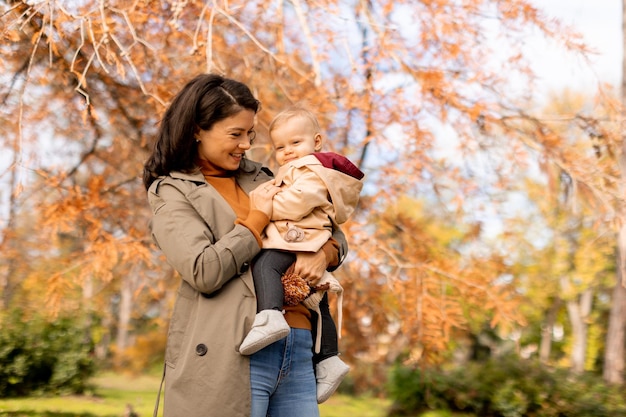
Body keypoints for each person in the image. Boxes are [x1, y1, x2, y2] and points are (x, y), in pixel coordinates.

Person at [142, 74, 347, 417]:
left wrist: (322, 253)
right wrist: (255, 220)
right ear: (197, 130)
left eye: (249, 133)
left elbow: (332, 229)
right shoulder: (171, 191)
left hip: (297, 345)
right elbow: (203, 270)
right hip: (233, 350)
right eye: (235, 134)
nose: (246, 145)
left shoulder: (263, 176)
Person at [239, 105, 364, 403]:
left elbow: (296, 204)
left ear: (317, 141)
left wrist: (263, 207)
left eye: (295, 143)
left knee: (266, 264)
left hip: (300, 239)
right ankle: (329, 359)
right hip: (304, 237)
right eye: (280, 146)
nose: (288, 151)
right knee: (318, 300)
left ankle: (270, 316)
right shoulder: (302, 169)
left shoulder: (310, 170)